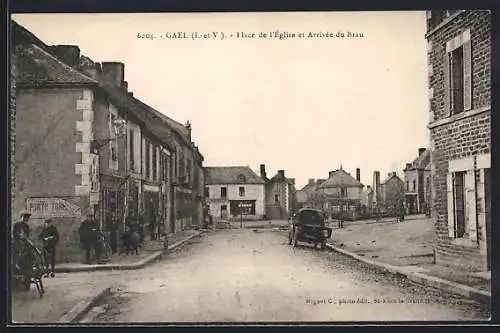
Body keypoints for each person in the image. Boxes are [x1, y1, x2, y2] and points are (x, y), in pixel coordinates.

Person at [13, 210, 34, 291]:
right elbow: (14, 235)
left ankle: (26, 283)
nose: (26, 219)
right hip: (17, 245)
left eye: (27, 218)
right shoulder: (16, 225)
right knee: (18, 262)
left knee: (27, 262)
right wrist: (20, 237)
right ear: (21, 217)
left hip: (25, 246)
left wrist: (26, 239)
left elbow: (27, 237)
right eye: (25, 217)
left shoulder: (27, 226)